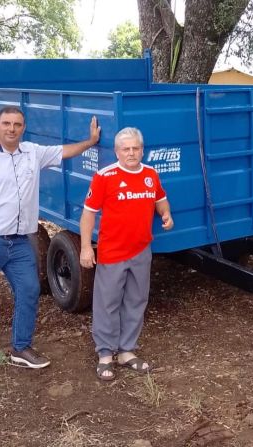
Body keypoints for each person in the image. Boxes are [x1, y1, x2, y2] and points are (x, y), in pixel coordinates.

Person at [0, 106, 101, 376]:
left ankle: (20, 348)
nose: (12, 129)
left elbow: (64, 151)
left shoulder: (32, 153)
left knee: (29, 290)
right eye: (7, 123)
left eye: (17, 124)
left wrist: (91, 142)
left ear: (23, 128)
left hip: (20, 242)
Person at [79, 127, 173, 381]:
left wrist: (166, 213)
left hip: (141, 250)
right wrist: (86, 247)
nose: (131, 153)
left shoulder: (151, 175)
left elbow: (160, 199)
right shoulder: (104, 176)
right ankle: (105, 354)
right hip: (112, 251)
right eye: (125, 149)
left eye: (135, 148)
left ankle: (127, 350)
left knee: (136, 300)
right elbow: (88, 212)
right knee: (107, 303)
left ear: (142, 150)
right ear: (117, 151)